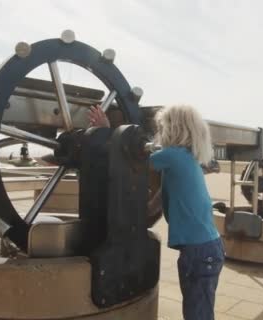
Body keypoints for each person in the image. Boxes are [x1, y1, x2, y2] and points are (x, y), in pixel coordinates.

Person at [88, 104, 224, 320]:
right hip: (206, 248)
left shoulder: (174, 156)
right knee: (199, 309)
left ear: (173, 129)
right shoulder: (186, 158)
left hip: (198, 252)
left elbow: (130, 157)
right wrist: (145, 211)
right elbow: (163, 196)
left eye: (161, 127)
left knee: (197, 313)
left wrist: (108, 130)